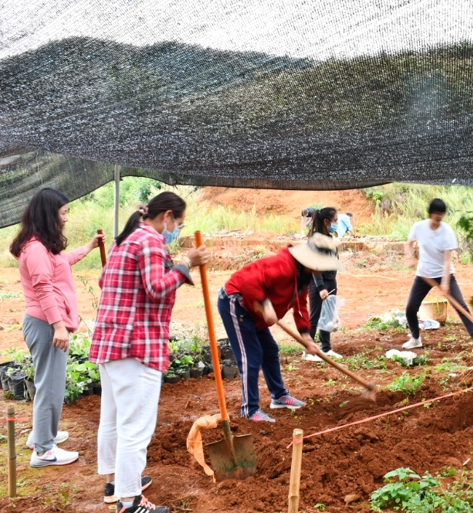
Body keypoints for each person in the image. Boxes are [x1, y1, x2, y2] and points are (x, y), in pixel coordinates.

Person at [90, 192, 209, 513]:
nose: (177, 230)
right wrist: (186, 263)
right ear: (167, 216)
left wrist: (176, 266)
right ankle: (130, 503)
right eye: (178, 224)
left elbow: (105, 280)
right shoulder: (151, 241)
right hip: (136, 347)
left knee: (114, 420)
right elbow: (156, 287)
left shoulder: (124, 239)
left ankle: (117, 485)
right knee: (136, 428)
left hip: (111, 342)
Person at [10, 189, 103, 468]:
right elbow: (43, 288)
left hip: (44, 323)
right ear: (49, 214)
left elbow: (61, 263)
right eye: (63, 213)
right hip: (46, 324)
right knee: (51, 387)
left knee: (46, 383)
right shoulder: (36, 249)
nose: (65, 219)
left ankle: (41, 435)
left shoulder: (40, 244)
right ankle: (43, 451)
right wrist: (58, 327)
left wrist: (89, 246)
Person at [217, 233, 342, 422]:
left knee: (270, 350)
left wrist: (306, 337)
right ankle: (249, 410)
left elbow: (300, 306)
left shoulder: (304, 275)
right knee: (251, 356)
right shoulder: (284, 266)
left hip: (253, 311)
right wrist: (265, 305)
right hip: (236, 302)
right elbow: (247, 280)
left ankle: (279, 396)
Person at [402, 199, 473, 353]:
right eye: (436, 214)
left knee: (461, 306)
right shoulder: (419, 227)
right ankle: (415, 339)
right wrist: (410, 257)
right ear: (430, 213)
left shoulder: (447, 231)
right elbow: (408, 243)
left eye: (441, 215)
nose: (438, 218)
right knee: (410, 308)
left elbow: (447, 260)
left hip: (444, 274)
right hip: (424, 275)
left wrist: (445, 283)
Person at [304, 207, 342, 360]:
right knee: (315, 316)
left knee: (327, 315)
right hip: (317, 282)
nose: (337, 223)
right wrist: (320, 287)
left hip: (330, 280)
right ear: (326, 222)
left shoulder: (330, 238)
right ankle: (308, 351)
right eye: (335, 221)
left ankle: (326, 348)